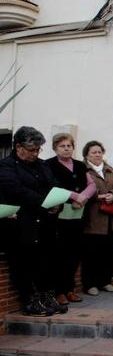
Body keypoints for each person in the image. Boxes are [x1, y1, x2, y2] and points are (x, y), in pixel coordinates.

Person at [0, 127, 66, 316]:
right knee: (23, 263)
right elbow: (17, 190)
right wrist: (44, 203)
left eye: (38, 150)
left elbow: (55, 185)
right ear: (18, 146)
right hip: (20, 224)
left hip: (44, 222)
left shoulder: (42, 165)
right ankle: (30, 300)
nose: (35, 154)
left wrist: (57, 203)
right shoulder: (6, 166)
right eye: (31, 150)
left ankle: (47, 296)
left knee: (46, 262)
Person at [46, 133, 96, 305]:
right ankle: (58, 291)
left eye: (69, 145)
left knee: (75, 254)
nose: (66, 148)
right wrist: (75, 196)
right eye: (62, 146)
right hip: (58, 217)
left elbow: (92, 185)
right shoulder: (48, 165)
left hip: (78, 216)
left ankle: (69, 289)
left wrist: (82, 197)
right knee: (60, 255)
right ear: (55, 148)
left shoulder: (80, 165)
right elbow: (51, 187)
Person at [82, 141, 113, 296]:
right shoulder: (84, 170)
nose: (97, 155)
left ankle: (105, 281)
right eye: (93, 152)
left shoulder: (111, 171)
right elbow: (80, 191)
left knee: (109, 253)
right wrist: (98, 196)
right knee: (91, 254)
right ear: (86, 155)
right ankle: (90, 284)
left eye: (99, 152)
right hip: (93, 220)